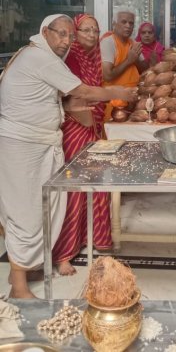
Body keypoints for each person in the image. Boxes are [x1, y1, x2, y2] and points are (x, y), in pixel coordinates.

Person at [0, 15, 136, 298]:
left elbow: (60, 97)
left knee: (41, 208)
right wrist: (117, 92)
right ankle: (19, 287)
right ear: (44, 32)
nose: (66, 41)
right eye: (60, 34)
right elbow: (82, 91)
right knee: (26, 213)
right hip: (22, 146)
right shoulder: (41, 58)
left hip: (38, 144)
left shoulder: (41, 57)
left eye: (69, 36)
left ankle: (30, 266)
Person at [53, 14, 115, 277]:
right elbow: (74, 95)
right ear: (76, 33)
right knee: (75, 189)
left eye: (95, 30)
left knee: (97, 184)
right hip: (76, 129)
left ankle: (94, 238)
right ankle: (63, 253)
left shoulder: (94, 57)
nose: (91, 35)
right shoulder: (71, 59)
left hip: (93, 126)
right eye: (85, 30)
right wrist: (114, 94)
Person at [101, 9, 148, 121]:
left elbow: (145, 70)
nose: (128, 26)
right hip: (114, 103)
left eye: (131, 23)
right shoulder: (108, 43)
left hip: (133, 102)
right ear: (114, 24)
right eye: (123, 22)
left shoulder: (133, 44)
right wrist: (129, 60)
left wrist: (135, 60)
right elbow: (107, 75)